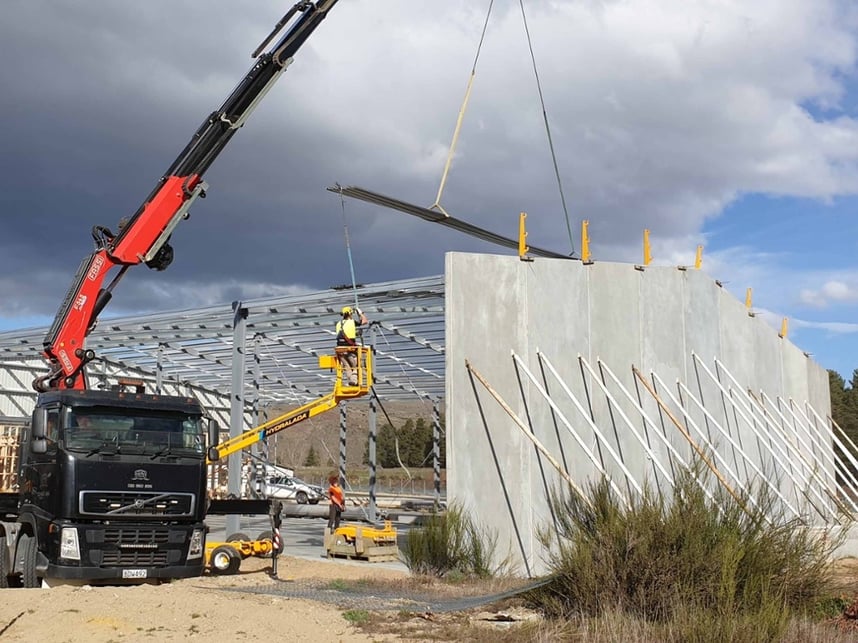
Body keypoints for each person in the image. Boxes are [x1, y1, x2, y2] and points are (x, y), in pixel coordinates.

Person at [335, 305, 368, 386]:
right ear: (350, 314)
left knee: (347, 366)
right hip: (350, 349)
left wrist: (355, 333)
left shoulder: (338, 324)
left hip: (340, 350)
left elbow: (345, 333)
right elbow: (364, 321)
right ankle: (354, 380)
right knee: (357, 365)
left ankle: (351, 381)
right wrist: (360, 313)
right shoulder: (351, 322)